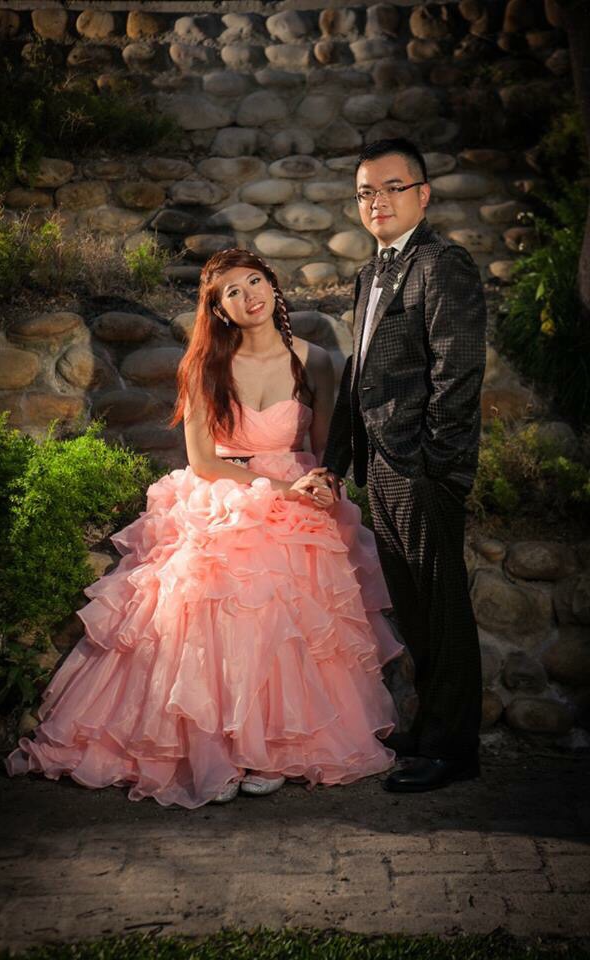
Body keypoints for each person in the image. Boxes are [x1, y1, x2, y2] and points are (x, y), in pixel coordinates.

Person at [6, 248, 402, 809]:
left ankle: (271, 749)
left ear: (273, 285)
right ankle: (219, 751)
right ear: (218, 309)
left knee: (283, 610)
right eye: (232, 292)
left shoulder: (313, 360)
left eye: (255, 281)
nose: (249, 296)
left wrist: (320, 484)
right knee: (207, 599)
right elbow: (204, 461)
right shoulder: (204, 365)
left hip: (295, 498)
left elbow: (324, 450)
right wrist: (277, 488)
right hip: (225, 491)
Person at [323, 138, 487, 793]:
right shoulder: (372, 273)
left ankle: (454, 750)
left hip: (420, 469)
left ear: (422, 194)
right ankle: (429, 732)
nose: (378, 202)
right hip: (381, 465)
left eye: (392, 187)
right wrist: (337, 461)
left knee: (442, 608)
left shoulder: (442, 264)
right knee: (415, 608)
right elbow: (359, 374)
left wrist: (435, 464)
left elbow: (458, 369)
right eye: (367, 191)